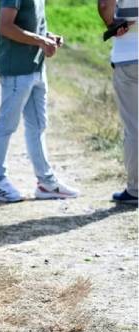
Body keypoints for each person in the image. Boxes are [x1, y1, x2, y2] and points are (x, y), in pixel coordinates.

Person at [0, 0, 79, 202]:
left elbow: (30, 25)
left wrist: (47, 37)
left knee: (38, 126)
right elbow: (6, 27)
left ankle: (46, 184)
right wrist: (40, 41)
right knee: (6, 126)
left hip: (36, 68)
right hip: (16, 70)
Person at [98, 0, 138, 205]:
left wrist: (111, 24)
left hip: (130, 57)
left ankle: (136, 189)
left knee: (134, 127)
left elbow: (105, 4)